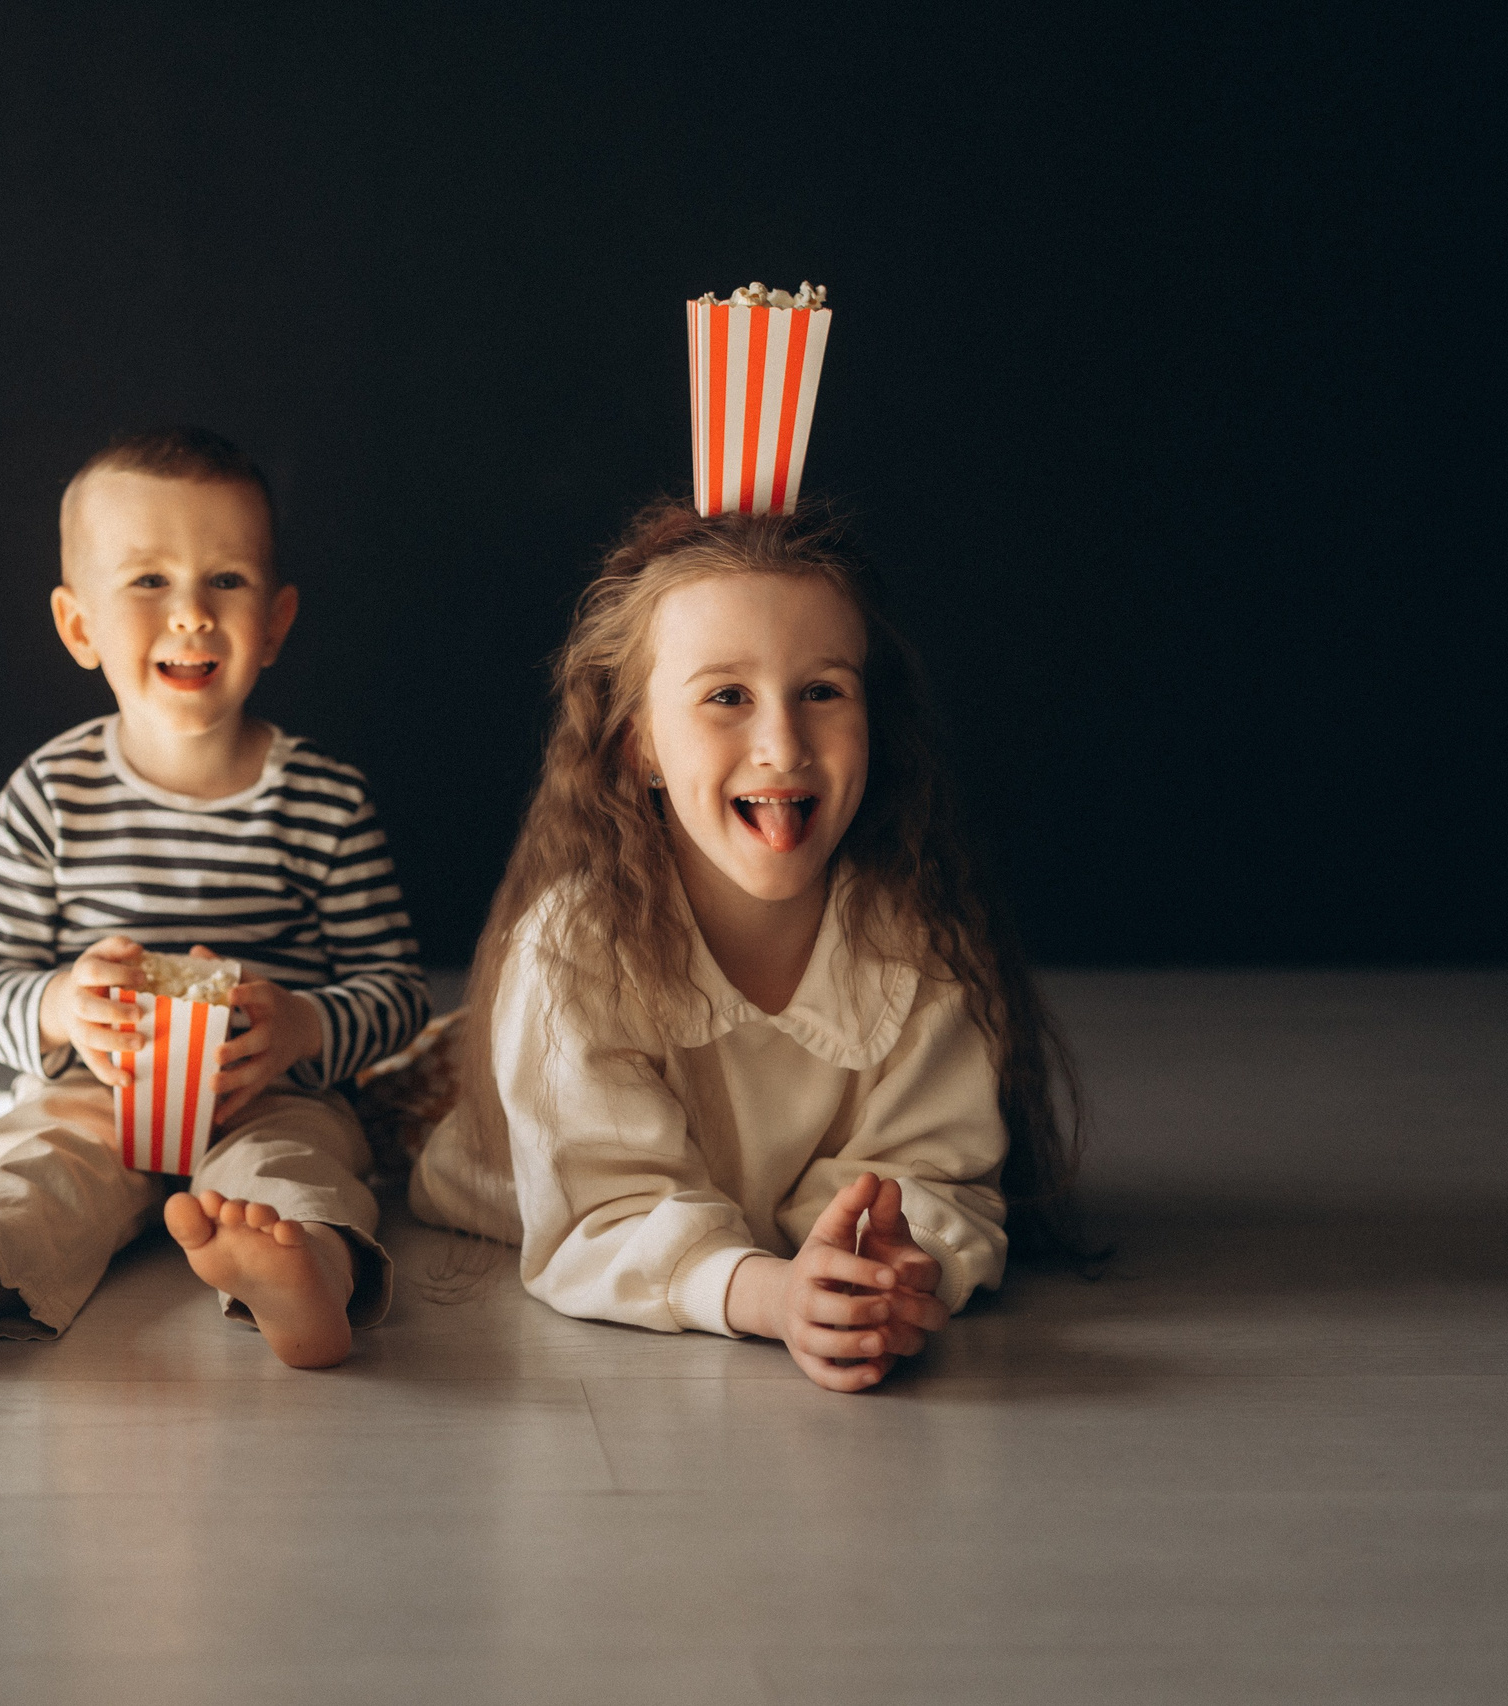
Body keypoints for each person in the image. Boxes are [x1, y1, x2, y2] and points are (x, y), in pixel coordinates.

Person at [411, 498, 1085, 1392]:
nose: (782, 745)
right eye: (727, 696)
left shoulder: (917, 946)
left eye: (822, 692)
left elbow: (938, 1169)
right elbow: (601, 1213)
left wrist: (889, 1258)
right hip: (498, 1141)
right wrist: (768, 1296)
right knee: (384, 1101)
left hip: (758, 1207)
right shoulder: (571, 954)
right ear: (635, 745)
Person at [0, 426, 428, 1371]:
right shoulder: (49, 793)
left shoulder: (323, 800)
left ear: (275, 620)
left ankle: (305, 1276)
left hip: (269, 1099)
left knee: (296, 1177)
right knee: (38, 1173)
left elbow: (395, 990)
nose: (190, 613)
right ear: (79, 625)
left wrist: (305, 1026)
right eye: (148, 582)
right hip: (92, 1093)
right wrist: (61, 1003)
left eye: (225, 580)